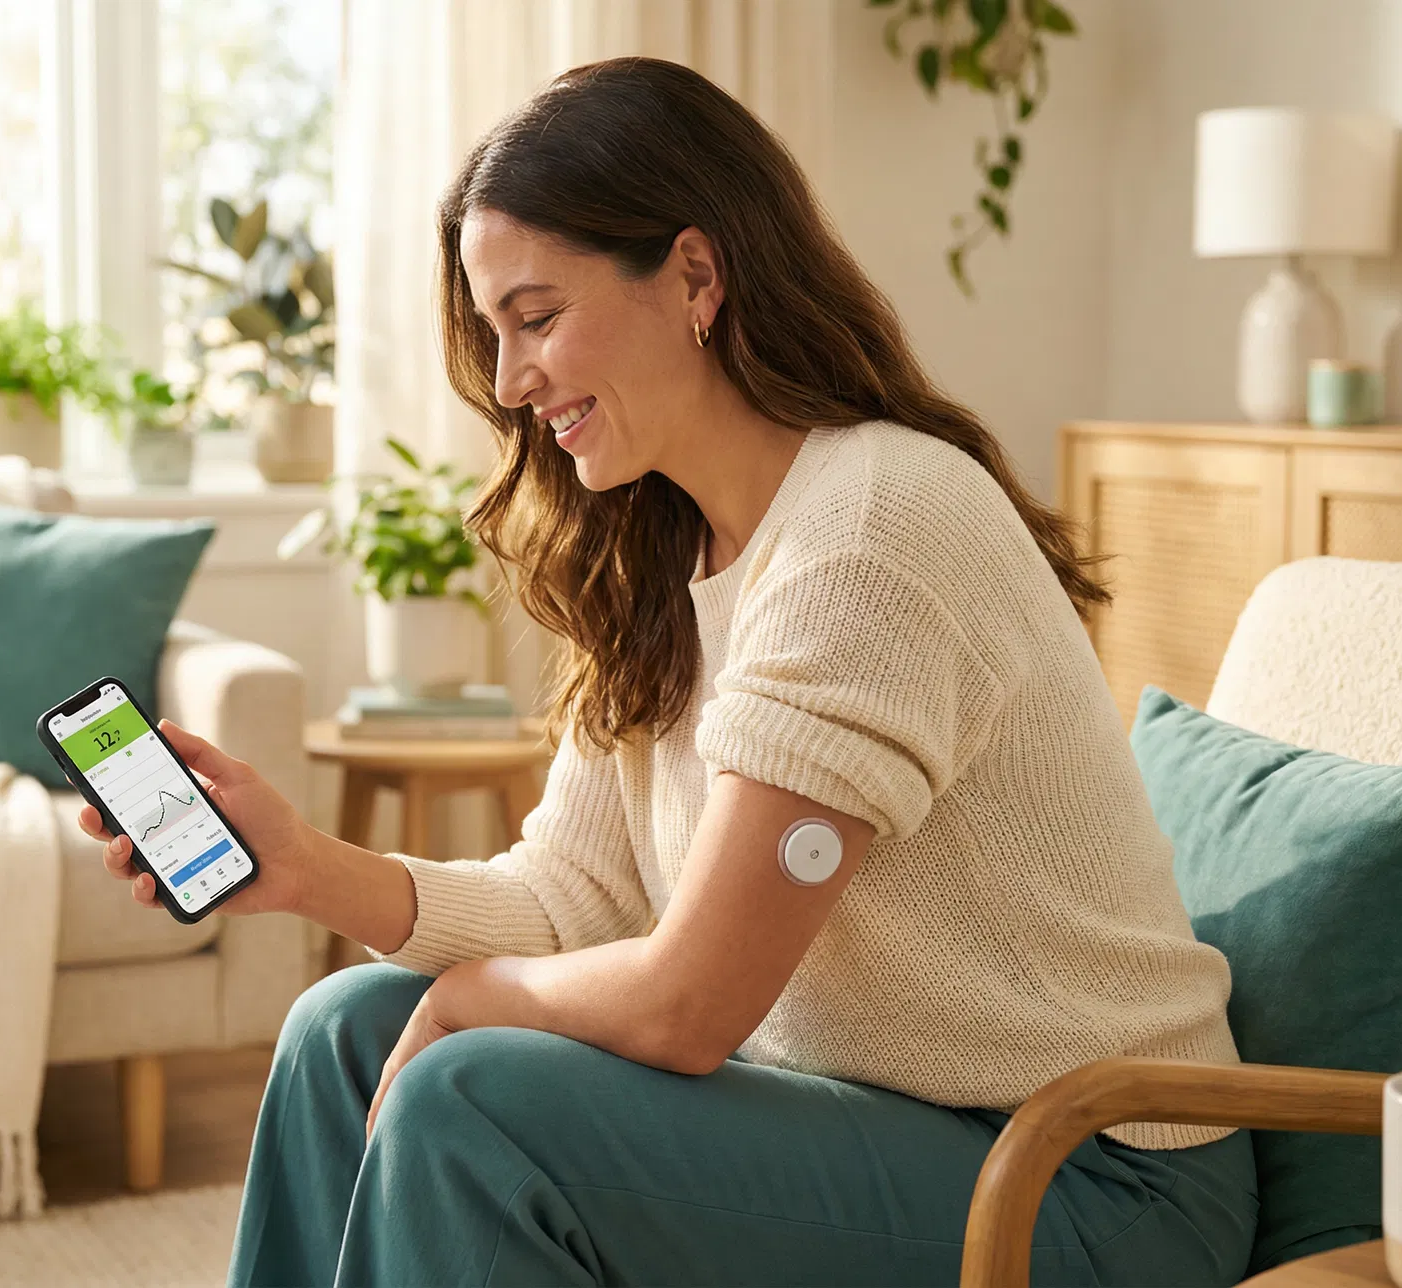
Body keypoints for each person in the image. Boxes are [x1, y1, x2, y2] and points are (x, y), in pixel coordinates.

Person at [84, 56, 1256, 1288]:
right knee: (343, 1029)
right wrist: (307, 869)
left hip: (1088, 1174)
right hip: (877, 1117)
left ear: (695, 275)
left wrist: (481, 999)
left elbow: (689, 1004)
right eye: (494, 333)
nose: (508, 381)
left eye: (536, 318)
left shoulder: (871, 530)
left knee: (471, 1098)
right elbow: (573, 896)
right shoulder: (667, 552)